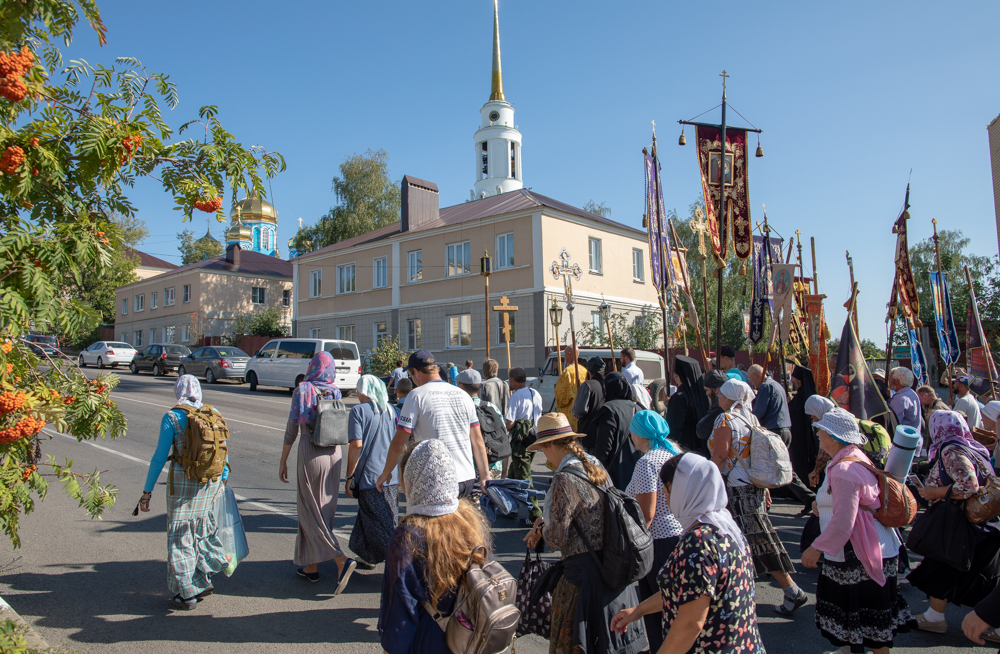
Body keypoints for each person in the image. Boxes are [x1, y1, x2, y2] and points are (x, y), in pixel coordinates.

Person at [611, 454, 764, 654]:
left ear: (687, 490)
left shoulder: (698, 542)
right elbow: (687, 589)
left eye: (668, 487)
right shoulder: (728, 529)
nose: (664, 492)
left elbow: (690, 623)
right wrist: (638, 611)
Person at [524, 413, 648, 654]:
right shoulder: (593, 463)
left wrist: (541, 528)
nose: (544, 456)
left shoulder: (564, 478)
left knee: (578, 644)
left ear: (550, 445)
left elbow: (556, 538)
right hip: (610, 565)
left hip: (582, 577)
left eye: (542, 449)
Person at [799, 407, 915, 654]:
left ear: (833, 437)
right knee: (864, 617)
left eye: (821, 431)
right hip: (874, 546)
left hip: (859, 552)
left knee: (870, 622)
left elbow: (844, 522)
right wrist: (821, 504)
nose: (818, 435)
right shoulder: (855, 457)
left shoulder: (844, 470)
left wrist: (815, 548)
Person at [378, 439, 493, 654]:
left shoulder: (407, 537)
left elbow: (400, 613)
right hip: (469, 639)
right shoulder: (472, 522)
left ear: (410, 482)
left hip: (428, 640)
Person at [709, 379, 808, 616]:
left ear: (730, 396)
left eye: (721, 394)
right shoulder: (750, 418)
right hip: (753, 485)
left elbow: (721, 456)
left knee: (755, 541)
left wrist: (705, 482)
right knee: (756, 540)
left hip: (735, 488)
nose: (718, 397)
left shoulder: (725, 419)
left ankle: (790, 590)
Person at [139, 375, 229, 610]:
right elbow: (223, 451)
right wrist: (222, 479)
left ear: (178, 390)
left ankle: (187, 592)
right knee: (201, 530)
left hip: (182, 484)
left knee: (180, 537)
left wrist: (147, 491)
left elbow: (159, 458)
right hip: (209, 482)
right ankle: (202, 578)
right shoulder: (213, 413)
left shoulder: (172, 417)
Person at [908, 410, 1000, 636]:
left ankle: (939, 618)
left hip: (961, 525)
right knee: (944, 569)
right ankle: (934, 617)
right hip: (980, 524)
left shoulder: (951, 449)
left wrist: (934, 492)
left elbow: (969, 485)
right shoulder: (972, 446)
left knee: (945, 567)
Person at [278, 352, 356, 592]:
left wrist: (283, 461)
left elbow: (292, 430)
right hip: (334, 454)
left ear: (312, 366)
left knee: (308, 510)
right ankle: (311, 565)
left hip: (311, 451)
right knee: (323, 511)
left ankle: (340, 559)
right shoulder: (335, 391)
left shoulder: (303, 390)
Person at [376, 350, 491, 498]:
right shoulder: (463, 395)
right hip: (465, 476)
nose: (412, 379)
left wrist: (386, 472)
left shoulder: (416, 395)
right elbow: (477, 439)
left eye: (411, 375)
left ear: (416, 372)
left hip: (436, 477)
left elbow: (400, 443)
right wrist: (485, 475)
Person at [624, 410, 683, 652]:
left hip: (657, 540)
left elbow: (647, 514)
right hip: (679, 533)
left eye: (633, 431)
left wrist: (632, 545)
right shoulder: (674, 452)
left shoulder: (647, 462)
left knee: (657, 606)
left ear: (640, 434)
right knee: (674, 602)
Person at [345, 374, 398, 569]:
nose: (357, 393)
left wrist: (349, 476)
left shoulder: (358, 411)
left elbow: (356, 446)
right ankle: (368, 556)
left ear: (364, 391)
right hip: (391, 476)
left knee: (380, 524)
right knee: (379, 516)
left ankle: (400, 563)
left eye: (358, 389)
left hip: (370, 476)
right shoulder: (393, 410)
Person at [747, 364, 816, 511]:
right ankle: (808, 497)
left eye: (751, 379)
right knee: (783, 467)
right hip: (784, 429)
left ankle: (764, 501)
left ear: (756, 375)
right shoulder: (777, 385)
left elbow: (759, 412)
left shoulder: (765, 387)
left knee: (768, 467)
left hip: (773, 432)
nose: (752, 383)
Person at [805, 395, 894, 486]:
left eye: (812, 412)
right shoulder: (842, 413)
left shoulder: (833, 421)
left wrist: (816, 470)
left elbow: (824, 454)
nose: (811, 416)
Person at [505, 366, 543, 526]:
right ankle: (511, 506)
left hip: (520, 442)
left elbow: (509, 423)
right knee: (514, 473)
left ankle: (535, 516)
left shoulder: (515, 397)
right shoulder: (535, 394)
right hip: (534, 438)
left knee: (525, 477)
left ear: (513, 380)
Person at [593, 371, 641, 490]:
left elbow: (604, 448)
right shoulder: (637, 408)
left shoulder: (609, 410)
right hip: (637, 469)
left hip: (616, 473)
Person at [458, 368, 508, 479]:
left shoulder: (461, 408)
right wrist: (504, 471)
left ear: (461, 386)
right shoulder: (492, 407)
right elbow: (504, 437)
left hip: (471, 469)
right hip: (495, 466)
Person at [666, 355, 711, 453]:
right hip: (704, 449)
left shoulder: (679, 397)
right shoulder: (704, 395)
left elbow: (674, 429)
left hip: (685, 451)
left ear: (677, 375)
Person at [788, 365, 820, 482]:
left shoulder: (803, 398)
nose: (791, 381)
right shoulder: (800, 396)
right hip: (799, 438)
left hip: (802, 438)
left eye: (794, 379)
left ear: (800, 381)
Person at [574, 356, 606, 451]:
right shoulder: (606, 385)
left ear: (589, 371)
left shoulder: (587, 385)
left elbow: (578, 410)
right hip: (602, 432)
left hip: (587, 432)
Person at [554, 345, 587, 430]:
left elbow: (562, 398)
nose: (564, 356)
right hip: (583, 412)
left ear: (569, 354)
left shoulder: (567, 372)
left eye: (565, 353)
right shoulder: (584, 370)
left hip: (570, 415)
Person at [695, 369, 729, 445]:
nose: (706, 394)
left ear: (716, 390)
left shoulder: (720, 406)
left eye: (707, 390)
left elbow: (701, 430)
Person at [916, 384, 949, 452]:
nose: (919, 401)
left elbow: (938, 433)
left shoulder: (938, 409)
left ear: (926, 395)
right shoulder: (934, 407)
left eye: (919, 398)